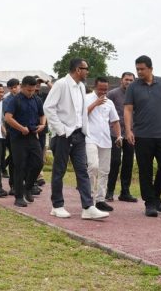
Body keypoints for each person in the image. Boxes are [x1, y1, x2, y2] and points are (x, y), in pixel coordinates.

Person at [43, 59, 108, 220]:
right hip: (64, 135)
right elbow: (48, 107)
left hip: (79, 135)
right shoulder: (61, 84)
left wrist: (84, 130)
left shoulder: (80, 86)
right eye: (86, 69)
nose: (88, 72)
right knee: (59, 171)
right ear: (78, 69)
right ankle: (57, 206)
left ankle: (88, 207)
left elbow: (80, 112)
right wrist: (61, 130)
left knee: (83, 171)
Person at [124, 55, 161, 217]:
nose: (139, 72)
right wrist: (128, 130)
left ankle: (156, 194)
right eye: (137, 69)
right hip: (142, 136)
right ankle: (149, 203)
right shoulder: (133, 87)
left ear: (150, 68)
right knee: (145, 170)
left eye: (142, 69)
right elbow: (128, 109)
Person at [3, 75, 45, 207]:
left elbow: (42, 114)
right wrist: (21, 128)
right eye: (28, 90)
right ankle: (19, 196)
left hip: (32, 135)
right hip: (18, 137)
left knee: (38, 162)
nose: (30, 93)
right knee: (19, 166)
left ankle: (28, 187)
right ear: (22, 87)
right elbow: (8, 118)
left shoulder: (36, 100)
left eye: (33, 90)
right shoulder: (14, 100)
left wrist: (42, 125)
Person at [85, 77, 122, 212]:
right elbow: (82, 115)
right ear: (95, 86)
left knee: (105, 170)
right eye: (101, 89)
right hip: (90, 138)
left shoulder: (110, 103)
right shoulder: (87, 98)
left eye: (105, 89)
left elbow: (115, 121)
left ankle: (100, 199)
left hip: (106, 139)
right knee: (93, 166)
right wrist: (96, 103)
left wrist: (118, 136)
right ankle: (88, 198)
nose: (103, 92)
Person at [106, 72, 137, 202]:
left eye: (131, 80)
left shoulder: (136, 95)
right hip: (115, 133)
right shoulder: (112, 94)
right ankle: (109, 191)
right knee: (115, 162)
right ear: (121, 80)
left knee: (128, 163)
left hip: (131, 133)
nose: (128, 82)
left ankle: (125, 192)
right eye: (126, 79)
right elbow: (104, 109)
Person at [2, 78, 19, 189]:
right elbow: (6, 118)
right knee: (14, 158)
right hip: (12, 131)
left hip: (25, 132)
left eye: (16, 87)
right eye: (12, 88)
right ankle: (13, 185)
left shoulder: (26, 97)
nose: (14, 89)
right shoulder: (7, 100)